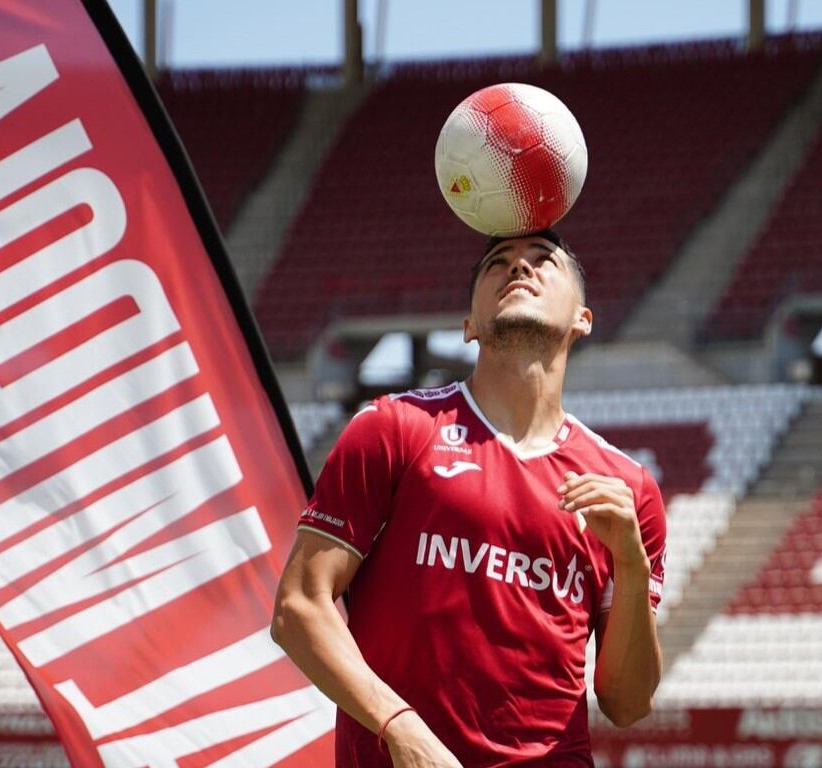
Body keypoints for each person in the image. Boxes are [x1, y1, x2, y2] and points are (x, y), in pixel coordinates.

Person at [271, 229, 667, 766]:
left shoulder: (629, 488)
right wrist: (399, 728)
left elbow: (627, 703)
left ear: (583, 319)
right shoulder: (394, 428)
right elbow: (298, 607)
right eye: (498, 262)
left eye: (543, 260)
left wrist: (631, 564)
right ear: (469, 326)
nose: (519, 268)